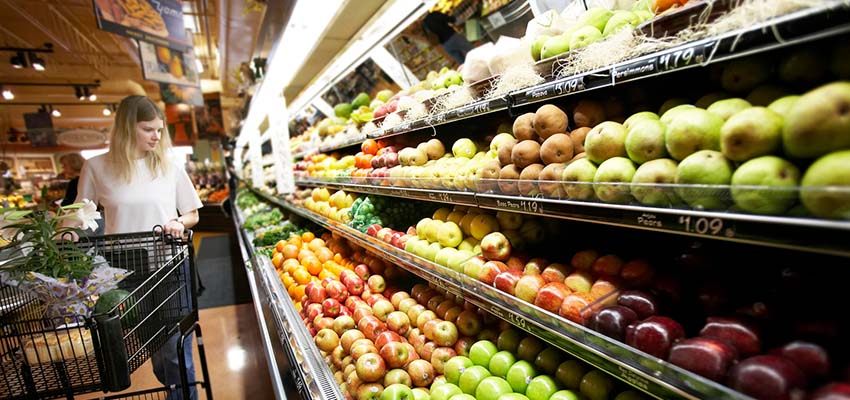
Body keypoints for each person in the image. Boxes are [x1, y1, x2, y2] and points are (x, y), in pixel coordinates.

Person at [75, 95, 202, 399]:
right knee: (152, 348)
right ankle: (175, 389)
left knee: (174, 348)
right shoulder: (96, 167)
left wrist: (178, 222)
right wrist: (67, 232)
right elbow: (80, 218)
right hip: (126, 272)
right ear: (126, 128)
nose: (156, 136)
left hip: (168, 268)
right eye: (148, 129)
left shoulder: (169, 167)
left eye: (159, 129)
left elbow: (193, 214)